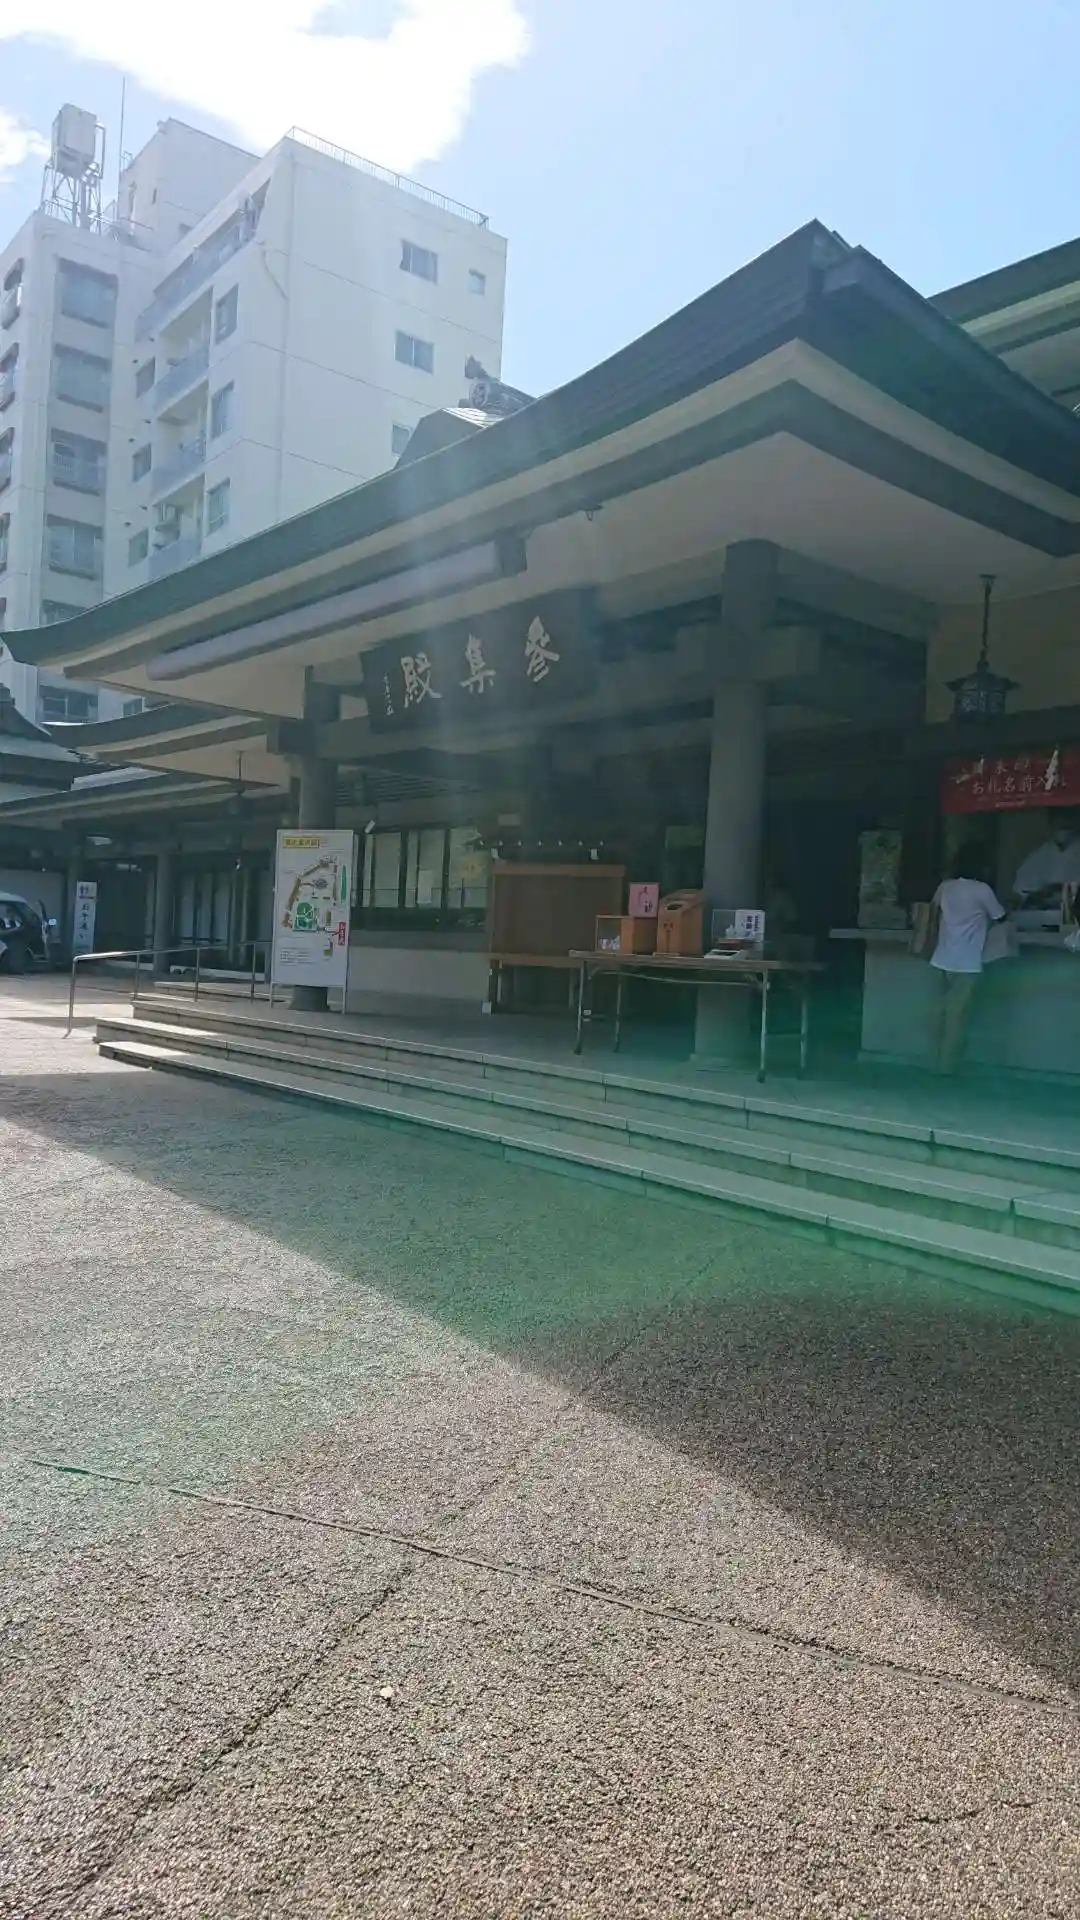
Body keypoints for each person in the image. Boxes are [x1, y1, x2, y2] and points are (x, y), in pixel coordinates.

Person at [929, 845, 1006, 1075]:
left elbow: (932, 913)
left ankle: (934, 1063)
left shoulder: (945, 887)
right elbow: (1001, 917)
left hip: (940, 958)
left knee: (940, 1016)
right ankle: (947, 1069)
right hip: (967, 963)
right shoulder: (982, 890)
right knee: (957, 1019)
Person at [1013, 814, 1080, 925]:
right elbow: (1022, 885)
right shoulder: (1042, 852)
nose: (1062, 832)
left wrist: (1064, 888)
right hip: (1045, 913)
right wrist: (1042, 892)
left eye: (1065, 827)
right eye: (1059, 827)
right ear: (1051, 827)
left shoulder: (1077, 849)